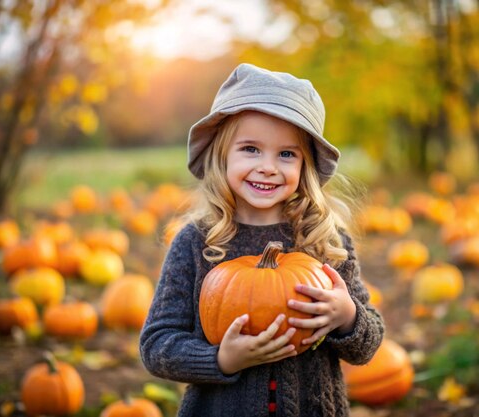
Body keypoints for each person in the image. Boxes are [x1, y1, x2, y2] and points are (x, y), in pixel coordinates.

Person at [139, 63, 384, 417]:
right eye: (251, 149)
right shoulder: (197, 243)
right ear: (221, 155)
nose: (268, 166)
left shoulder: (325, 241)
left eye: (286, 154)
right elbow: (157, 345)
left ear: (306, 167)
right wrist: (222, 359)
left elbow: (368, 344)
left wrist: (346, 317)